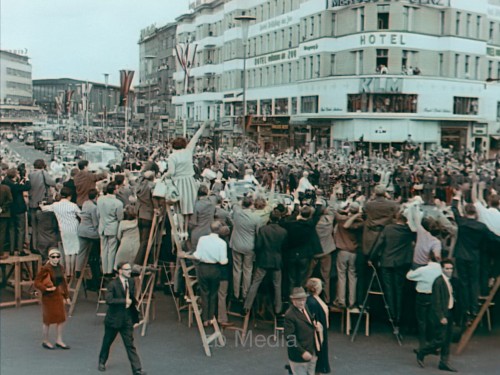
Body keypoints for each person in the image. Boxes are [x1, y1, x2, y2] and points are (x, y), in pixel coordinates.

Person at [98, 262, 146, 375]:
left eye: (130, 269)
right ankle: (102, 361)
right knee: (107, 342)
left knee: (130, 344)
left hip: (126, 318)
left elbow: (132, 297)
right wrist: (124, 301)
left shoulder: (131, 281)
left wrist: (134, 310)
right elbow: (109, 300)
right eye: (126, 269)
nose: (129, 271)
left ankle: (137, 369)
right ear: (120, 271)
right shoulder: (112, 284)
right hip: (114, 319)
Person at [416, 259, 458, 372]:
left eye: (451, 268)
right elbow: (436, 301)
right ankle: (422, 352)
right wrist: (441, 317)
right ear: (442, 269)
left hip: (449, 312)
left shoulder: (450, 281)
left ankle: (444, 362)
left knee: (447, 339)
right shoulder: (438, 282)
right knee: (440, 339)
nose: (449, 271)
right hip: (442, 314)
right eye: (447, 268)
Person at [244, 209, 287, 315]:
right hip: (276, 260)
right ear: (279, 218)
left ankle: (246, 306)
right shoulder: (283, 231)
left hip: (264, 259)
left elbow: (258, 246)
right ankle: (278, 308)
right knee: (277, 285)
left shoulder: (263, 230)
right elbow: (284, 247)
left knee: (255, 283)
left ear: (270, 218)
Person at [164, 122, 206, 218]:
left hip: (178, 183)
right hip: (189, 182)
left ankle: (181, 229)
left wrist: (164, 176)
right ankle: (187, 228)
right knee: (189, 207)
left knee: (179, 209)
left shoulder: (172, 156)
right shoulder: (188, 151)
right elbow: (196, 137)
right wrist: (203, 127)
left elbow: (171, 172)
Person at [192, 220, 229, 326]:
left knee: (204, 293)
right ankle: (210, 317)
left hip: (203, 268)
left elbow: (197, 256)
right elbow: (223, 261)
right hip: (215, 269)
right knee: (213, 294)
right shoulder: (222, 243)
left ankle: (204, 319)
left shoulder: (202, 239)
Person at [34, 248, 71, 350]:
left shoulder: (60, 268)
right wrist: (46, 288)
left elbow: (63, 283)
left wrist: (66, 296)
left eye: (57, 256)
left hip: (58, 295)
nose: (55, 259)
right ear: (49, 258)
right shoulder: (45, 269)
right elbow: (37, 282)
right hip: (48, 297)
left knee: (61, 318)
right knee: (48, 319)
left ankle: (59, 340)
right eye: (53, 257)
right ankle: (45, 340)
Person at [406, 253, 443, 353]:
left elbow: (409, 276)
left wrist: (412, 269)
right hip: (435, 297)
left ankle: (422, 347)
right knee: (432, 321)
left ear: (428, 258)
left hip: (422, 296)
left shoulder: (423, 269)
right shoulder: (441, 269)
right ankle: (433, 346)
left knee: (422, 322)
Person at [284, 287, 321, 375]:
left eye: (303, 300)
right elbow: (290, 337)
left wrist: (315, 324)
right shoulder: (290, 315)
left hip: (311, 351)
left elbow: (309, 320)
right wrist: (302, 352)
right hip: (299, 356)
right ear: (293, 300)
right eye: (299, 300)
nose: (302, 302)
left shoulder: (305, 307)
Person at [51, 187, 81, 278]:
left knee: (67, 251)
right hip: (74, 229)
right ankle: (74, 272)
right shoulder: (73, 205)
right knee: (75, 251)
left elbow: (44, 208)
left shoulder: (55, 205)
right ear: (69, 196)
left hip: (63, 230)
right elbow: (81, 215)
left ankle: (68, 273)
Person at [28, 159, 56, 250]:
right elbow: (52, 183)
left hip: (32, 203)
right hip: (42, 203)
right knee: (42, 228)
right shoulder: (43, 173)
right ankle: (41, 247)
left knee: (34, 227)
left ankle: (34, 246)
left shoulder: (30, 174)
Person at [97, 182, 124, 276]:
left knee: (103, 249)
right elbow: (120, 217)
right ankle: (109, 270)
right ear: (114, 190)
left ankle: (104, 270)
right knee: (112, 250)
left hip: (102, 226)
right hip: (112, 227)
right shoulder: (118, 203)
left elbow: (98, 214)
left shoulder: (100, 199)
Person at [2, 167, 31, 256]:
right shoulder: (15, 186)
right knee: (20, 229)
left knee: (11, 229)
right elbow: (27, 187)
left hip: (10, 209)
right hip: (19, 209)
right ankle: (20, 250)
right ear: (14, 176)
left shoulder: (6, 183)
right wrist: (27, 179)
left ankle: (11, 249)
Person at [76, 188, 101, 289]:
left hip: (81, 229)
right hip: (90, 232)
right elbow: (95, 223)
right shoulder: (94, 208)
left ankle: (78, 270)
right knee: (99, 241)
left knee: (81, 251)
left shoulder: (85, 203)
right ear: (96, 197)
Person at [305, 278, 331, 375]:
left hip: (321, 331)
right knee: (316, 356)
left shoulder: (316, 299)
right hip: (316, 333)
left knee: (319, 355)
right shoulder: (312, 301)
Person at [0, 182, 13, 259]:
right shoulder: (6, 188)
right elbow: (10, 200)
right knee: (2, 233)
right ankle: (0, 252)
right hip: (3, 214)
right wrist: (2, 208)